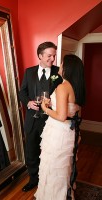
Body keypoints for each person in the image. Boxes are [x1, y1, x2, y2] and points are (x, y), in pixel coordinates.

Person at [34, 54, 86, 200]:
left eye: (62, 63)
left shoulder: (63, 87)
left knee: (54, 166)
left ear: (68, 68)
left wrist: (45, 108)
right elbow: (69, 110)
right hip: (70, 130)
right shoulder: (77, 86)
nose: (60, 65)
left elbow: (61, 116)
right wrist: (53, 104)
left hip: (58, 132)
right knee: (63, 166)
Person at [19, 41, 63, 192]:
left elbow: (63, 94)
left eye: (54, 56)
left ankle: (49, 181)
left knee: (51, 153)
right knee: (31, 152)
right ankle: (33, 179)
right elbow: (22, 92)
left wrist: (54, 101)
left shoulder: (58, 72)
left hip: (51, 121)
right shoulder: (29, 72)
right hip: (32, 120)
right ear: (40, 56)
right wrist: (28, 103)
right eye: (49, 56)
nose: (53, 59)